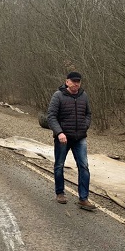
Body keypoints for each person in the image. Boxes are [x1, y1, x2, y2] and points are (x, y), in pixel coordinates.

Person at [46, 71, 95, 211]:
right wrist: (59, 132)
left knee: (84, 166)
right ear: (67, 82)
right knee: (59, 165)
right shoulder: (58, 96)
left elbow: (88, 114)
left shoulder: (83, 96)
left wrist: (85, 126)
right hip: (63, 138)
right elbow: (51, 116)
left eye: (78, 81)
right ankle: (60, 193)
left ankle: (83, 198)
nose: (76, 84)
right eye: (73, 81)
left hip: (80, 137)